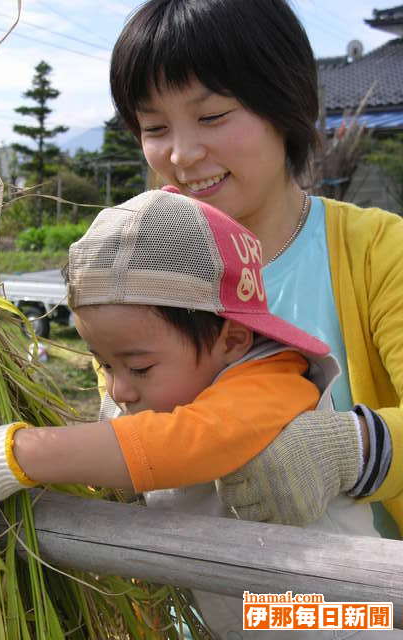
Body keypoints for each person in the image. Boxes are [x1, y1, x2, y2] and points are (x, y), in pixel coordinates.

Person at [0, 188, 371, 639]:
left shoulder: (273, 378)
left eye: (138, 367)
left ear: (233, 340)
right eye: (103, 363)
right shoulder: (169, 386)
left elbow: (192, 441)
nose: (118, 388)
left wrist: (24, 453)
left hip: (342, 614)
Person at [109, 0, 403, 541]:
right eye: (154, 126)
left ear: (285, 104)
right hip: (185, 602)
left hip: (348, 607)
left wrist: (349, 450)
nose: (182, 154)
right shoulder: (146, 269)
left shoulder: (380, 251)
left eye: (213, 116)